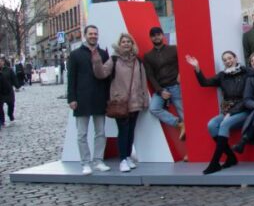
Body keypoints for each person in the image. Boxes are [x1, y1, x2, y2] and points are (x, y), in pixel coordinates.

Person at [91, 33, 150, 173]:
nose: (126, 44)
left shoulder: (138, 61)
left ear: (132, 44)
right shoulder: (114, 60)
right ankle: (123, 159)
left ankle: (128, 156)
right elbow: (101, 74)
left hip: (135, 102)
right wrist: (97, 61)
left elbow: (143, 81)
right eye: (123, 42)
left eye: (129, 41)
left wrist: (145, 99)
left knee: (130, 131)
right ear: (119, 44)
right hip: (120, 102)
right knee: (123, 131)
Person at [186, 51, 248, 174]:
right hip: (227, 111)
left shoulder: (245, 72)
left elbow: (247, 98)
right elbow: (204, 83)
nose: (228, 61)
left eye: (230, 58)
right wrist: (197, 67)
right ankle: (231, 157)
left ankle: (214, 163)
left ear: (235, 58)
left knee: (224, 124)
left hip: (243, 110)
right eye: (225, 60)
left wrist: (231, 113)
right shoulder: (222, 75)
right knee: (211, 125)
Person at [67, 25, 111, 175]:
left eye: (95, 34)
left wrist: (108, 97)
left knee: (100, 133)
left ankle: (98, 161)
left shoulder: (104, 54)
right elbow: (71, 78)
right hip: (81, 99)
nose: (93, 36)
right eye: (90, 33)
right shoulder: (75, 55)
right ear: (85, 35)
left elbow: (107, 79)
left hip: (99, 97)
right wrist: (71, 98)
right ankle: (85, 163)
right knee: (82, 134)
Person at [144, 26, 185, 140]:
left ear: (162, 35)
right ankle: (178, 123)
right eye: (153, 35)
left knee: (184, 115)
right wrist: (160, 91)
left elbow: (183, 62)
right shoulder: (148, 56)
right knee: (154, 108)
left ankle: (191, 151)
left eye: (158, 34)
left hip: (176, 86)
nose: (156, 37)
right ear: (150, 38)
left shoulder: (174, 49)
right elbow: (150, 76)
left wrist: (181, 74)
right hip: (161, 89)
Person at [0, 56, 18, 128]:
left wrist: (17, 86)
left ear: (3, 62)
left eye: (1, 61)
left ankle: (10, 115)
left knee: (11, 105)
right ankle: (2, 121)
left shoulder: (9, 70)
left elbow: (14, 78)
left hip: (9, 91)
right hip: (0, 93)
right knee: (0, 108)